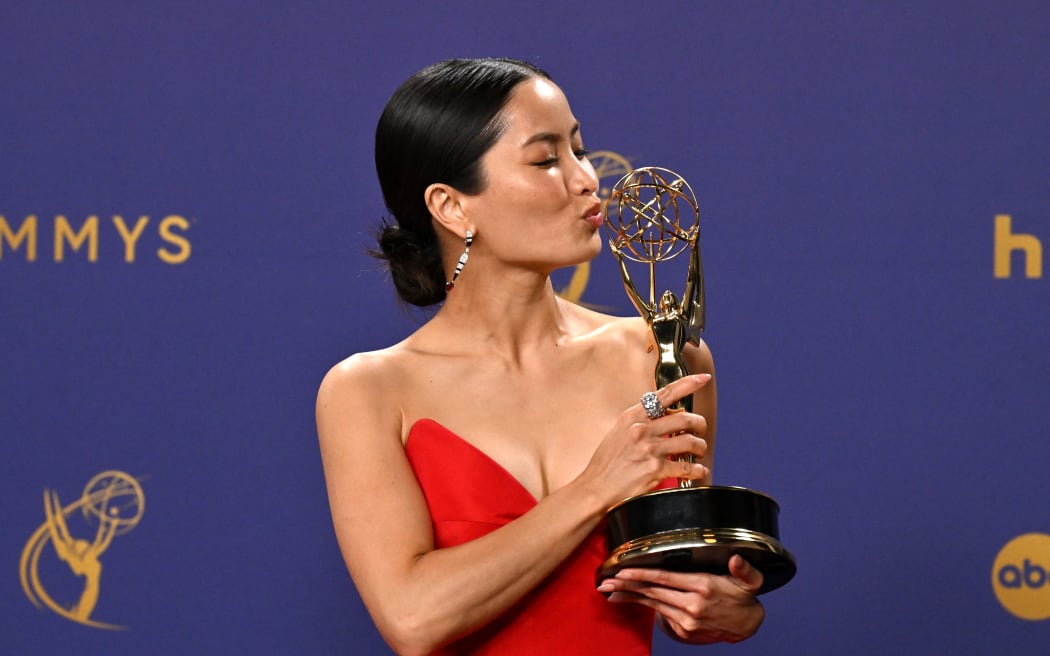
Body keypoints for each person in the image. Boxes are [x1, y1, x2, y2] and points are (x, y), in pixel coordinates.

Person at [316, 58, 764, 656]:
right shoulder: (367, 391)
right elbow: (414, 619)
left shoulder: (661, 357)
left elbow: (680, 585)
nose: (586, 179)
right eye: (546, 159)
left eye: (579, 149)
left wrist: (728, 608)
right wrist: (595, 487)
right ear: (451, 206)